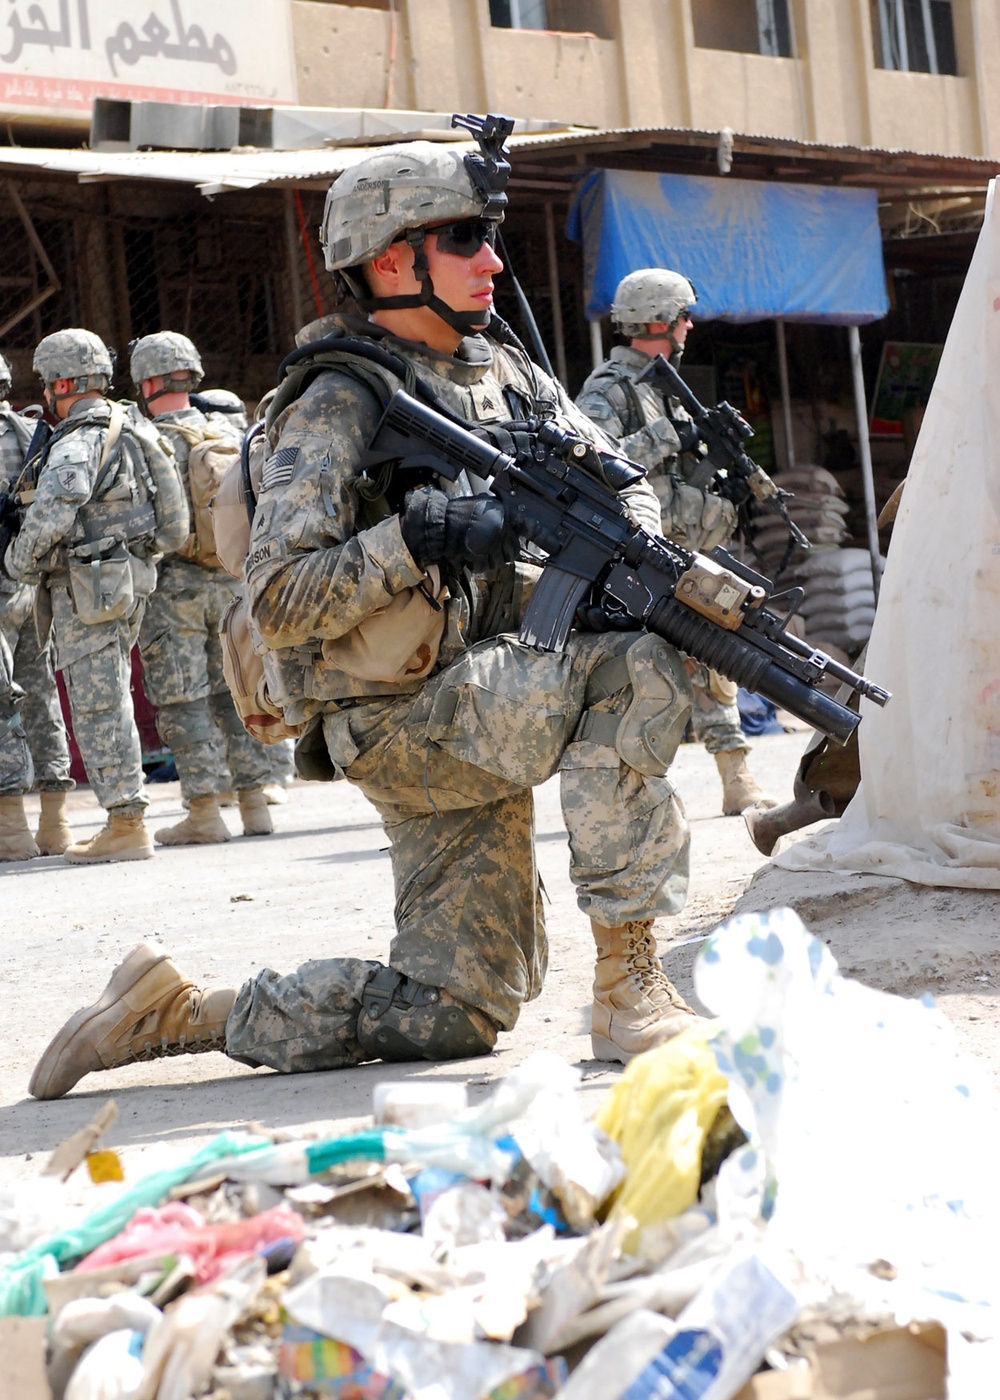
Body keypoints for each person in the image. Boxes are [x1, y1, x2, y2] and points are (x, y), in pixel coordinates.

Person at [28, 121, 740, 1102]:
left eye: (488, 235)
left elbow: (620, 483)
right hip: (399, 718)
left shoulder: (508, 371)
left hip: (489, 683)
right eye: (464, 239)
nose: (492, 258)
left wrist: (630, 543)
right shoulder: (335, 401)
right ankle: (628, 986)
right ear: (393, 257)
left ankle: (177, 1008)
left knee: (452, 1011)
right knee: (628, 663)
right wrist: (419, 536)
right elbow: (278, 599)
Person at [576, 268, 776, 816]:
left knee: (718, 653)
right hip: (641, 556)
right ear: (659, 320)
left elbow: (680, 472)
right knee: (646, 671)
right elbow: (595, 463)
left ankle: (736, 778)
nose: (691, 325)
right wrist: (671, 434)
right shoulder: (609, 389)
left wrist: (721, 481)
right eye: (684, 315)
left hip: (688, 551)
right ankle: (635, 792)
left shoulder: (671, 387)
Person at [4, 328, 187, 863]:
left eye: (46, 383)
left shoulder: (80, 437)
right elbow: (175, 527)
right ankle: (124, 818)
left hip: (88, 590)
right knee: (113, 698)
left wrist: (17, 561)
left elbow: (59, 503)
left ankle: (126, 823)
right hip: (129, 582)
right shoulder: (136, 426)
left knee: (98, 704)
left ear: (61, 383)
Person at [131, 332, 274, 843]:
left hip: (174, 589)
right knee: (235, 690)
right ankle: (256, 805)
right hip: (232, 580)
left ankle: (204, 814)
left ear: (147, 381)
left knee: (183, 701)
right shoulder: (230, 430)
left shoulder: (146, 440)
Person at [0, 351, 74, 859]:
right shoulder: (30, 432)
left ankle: (11, 831)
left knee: (3, 701)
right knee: (41, 693)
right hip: (25, 581)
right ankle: (55, 824)